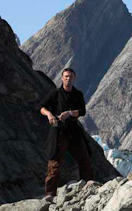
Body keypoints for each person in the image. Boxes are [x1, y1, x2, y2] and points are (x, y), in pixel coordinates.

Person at [39, 68, 93, 197]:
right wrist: (49, 115)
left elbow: (82, 111)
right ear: (62, 78)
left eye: (70, 77)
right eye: (66, 76)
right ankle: (50, 194)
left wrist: (69, 113)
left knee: (84, 159)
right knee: (54, 163)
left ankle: (88, 188)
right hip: (58, 133)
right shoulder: (55, 94)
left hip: (74, 132)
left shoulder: (78, 94)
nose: (68, 79)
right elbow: (41, 107)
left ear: (74, 78)